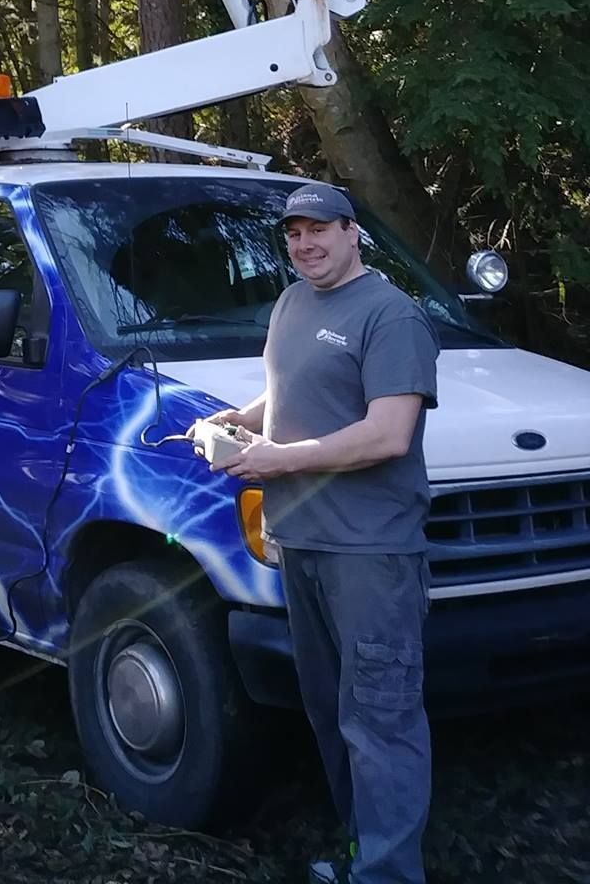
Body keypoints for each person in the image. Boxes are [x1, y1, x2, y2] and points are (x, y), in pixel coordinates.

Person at [211, 184, 439, 884]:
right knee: (330, 714)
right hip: (300, 540)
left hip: (369, 552)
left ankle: (389, 875)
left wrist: (278, 459)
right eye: (295, 234)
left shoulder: (390, 315)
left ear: (352, 233)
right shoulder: (292, 302)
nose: (305, 245)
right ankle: (359, 853)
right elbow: (286, 392)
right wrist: (235, 423)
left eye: (320, 231)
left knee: (380, 720)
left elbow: (387, 434)